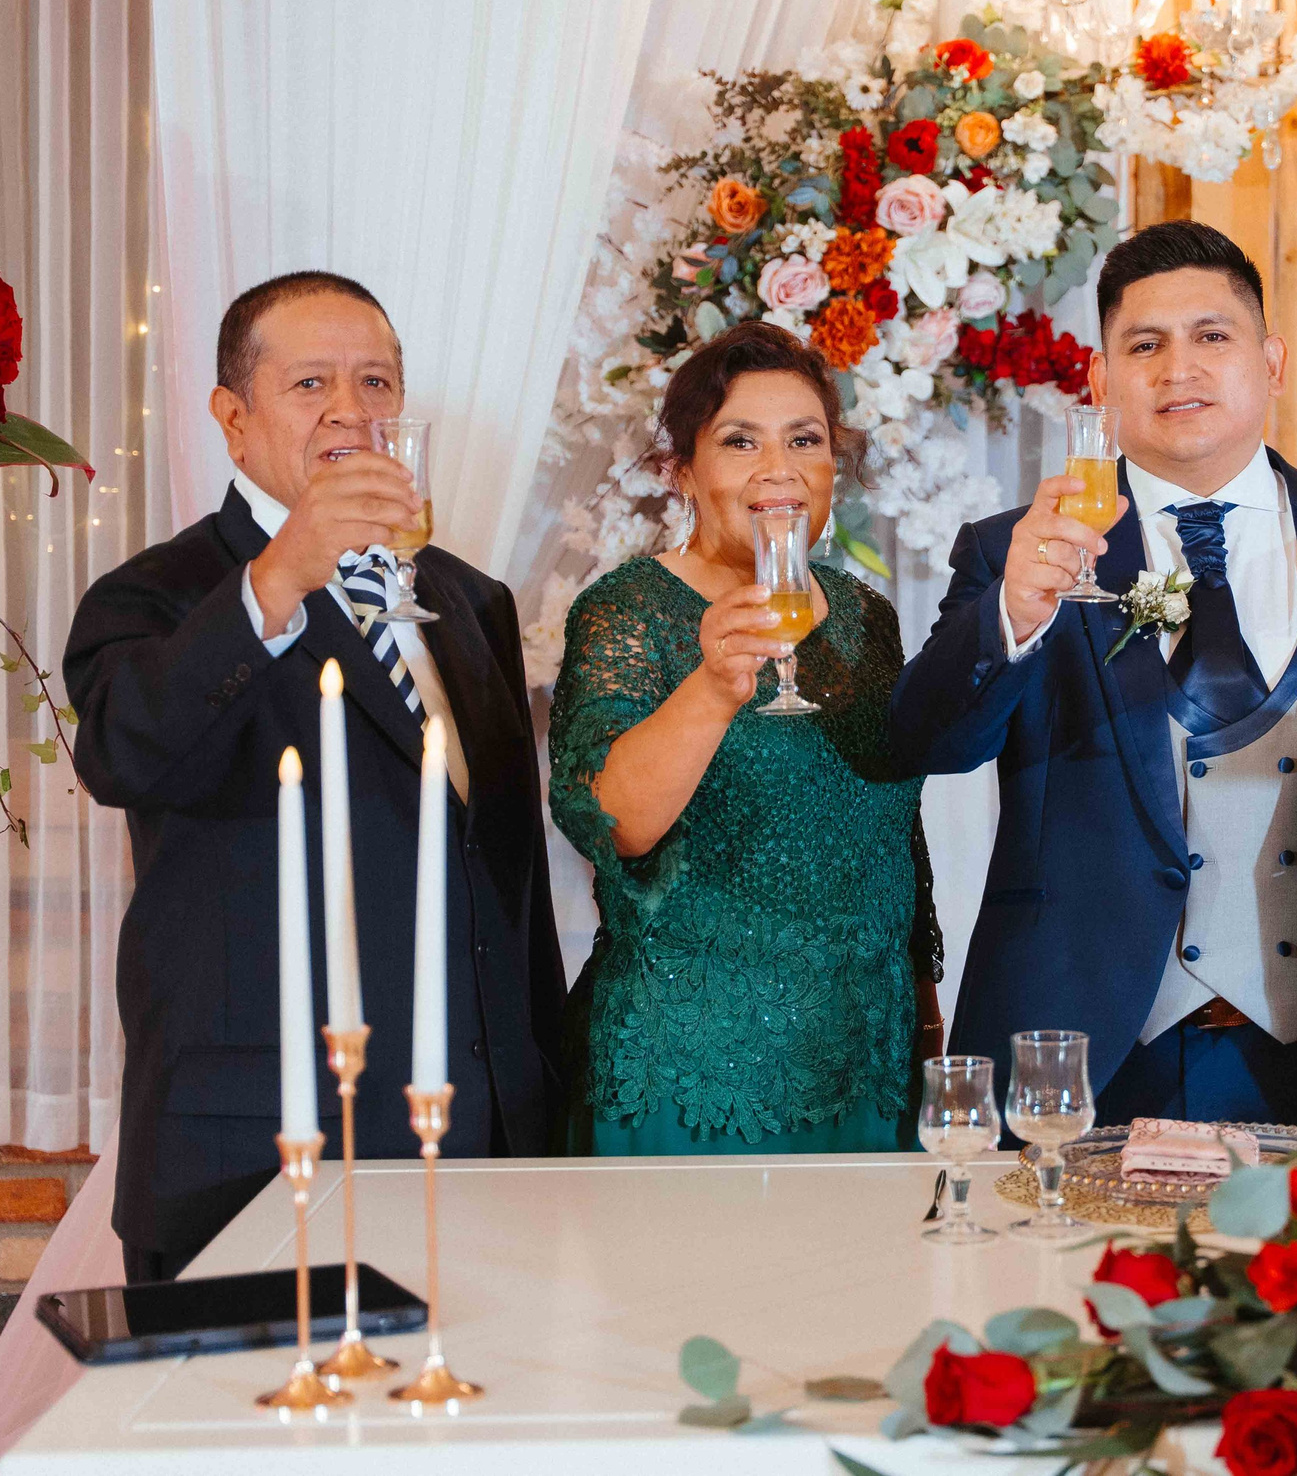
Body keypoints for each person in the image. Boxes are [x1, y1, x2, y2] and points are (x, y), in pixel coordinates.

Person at [890, 221, 1297, 1125]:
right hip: (1073, 1058)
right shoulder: (1018, 549)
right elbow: (923, 743)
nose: (1179, 369)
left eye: (1212, 336)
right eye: (1144, 345)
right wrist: (1014, 610)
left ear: (1271, 362)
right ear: (1100, 380)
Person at [66, 271, 564, 1283]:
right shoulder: (153, 595)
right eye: (310, 384)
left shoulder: (471, 600)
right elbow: (124, 753)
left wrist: (541, 1097)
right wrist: (279, 576)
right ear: (232, 417)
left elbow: (507, 885)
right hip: (255, 1156)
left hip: (484, 1148)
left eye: (375, 382)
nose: (350, 409)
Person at [549, 323, 942, 1155]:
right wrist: (713, 687)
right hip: (692, 1070)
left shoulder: (866, 613)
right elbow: (609, 821)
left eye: (805, 439)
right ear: (683, 471)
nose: (778, 467)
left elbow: (895, 833)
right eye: (739, 440)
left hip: (868, 1064)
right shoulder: (626, 610)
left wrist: (926, 1008)